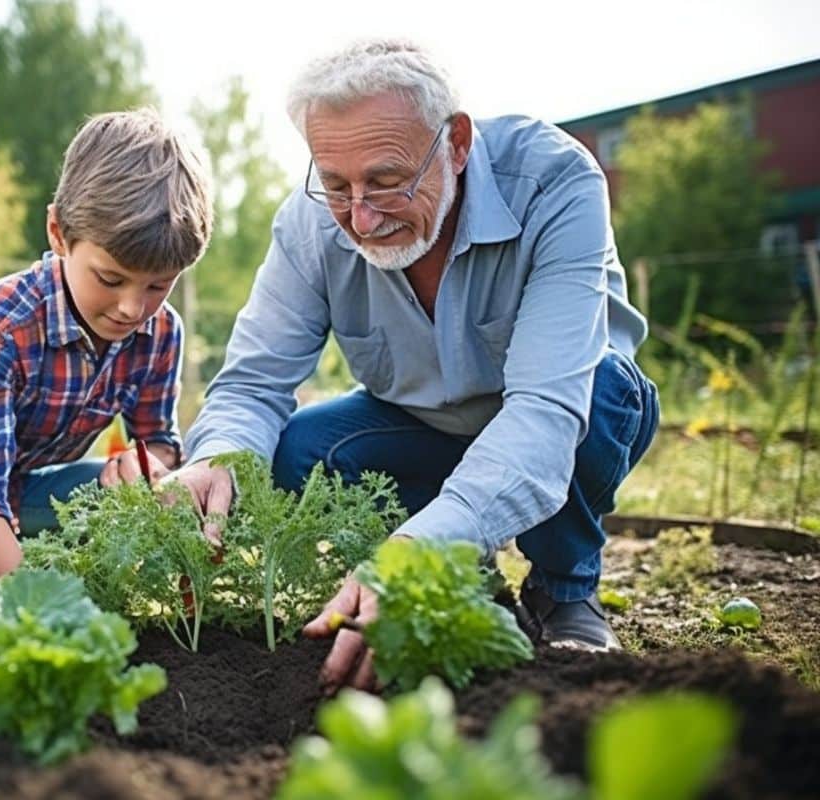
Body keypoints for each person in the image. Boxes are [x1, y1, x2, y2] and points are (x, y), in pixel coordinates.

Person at [171, 39, 659, 691]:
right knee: (300, 454)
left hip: (571, 413)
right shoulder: (311, 225)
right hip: (423, 427)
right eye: (337, 185)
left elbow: (546, 412)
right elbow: (254, 382)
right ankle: (473, 586)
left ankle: (564, 590)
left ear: (456, 142)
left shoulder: (552, 182)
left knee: (599, 389)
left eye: (386, 180)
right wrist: (219, 456)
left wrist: (419, 550)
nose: (362, 218)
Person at [0, 109, 213, 576]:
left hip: (28, 482)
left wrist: (144, 469)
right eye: (110, 279)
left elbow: (157, 442)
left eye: (158, 286)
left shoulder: (160, 333)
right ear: (59, 234)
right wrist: (28, 613)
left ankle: (34, 565)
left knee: (132, 495)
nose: (132, 309)